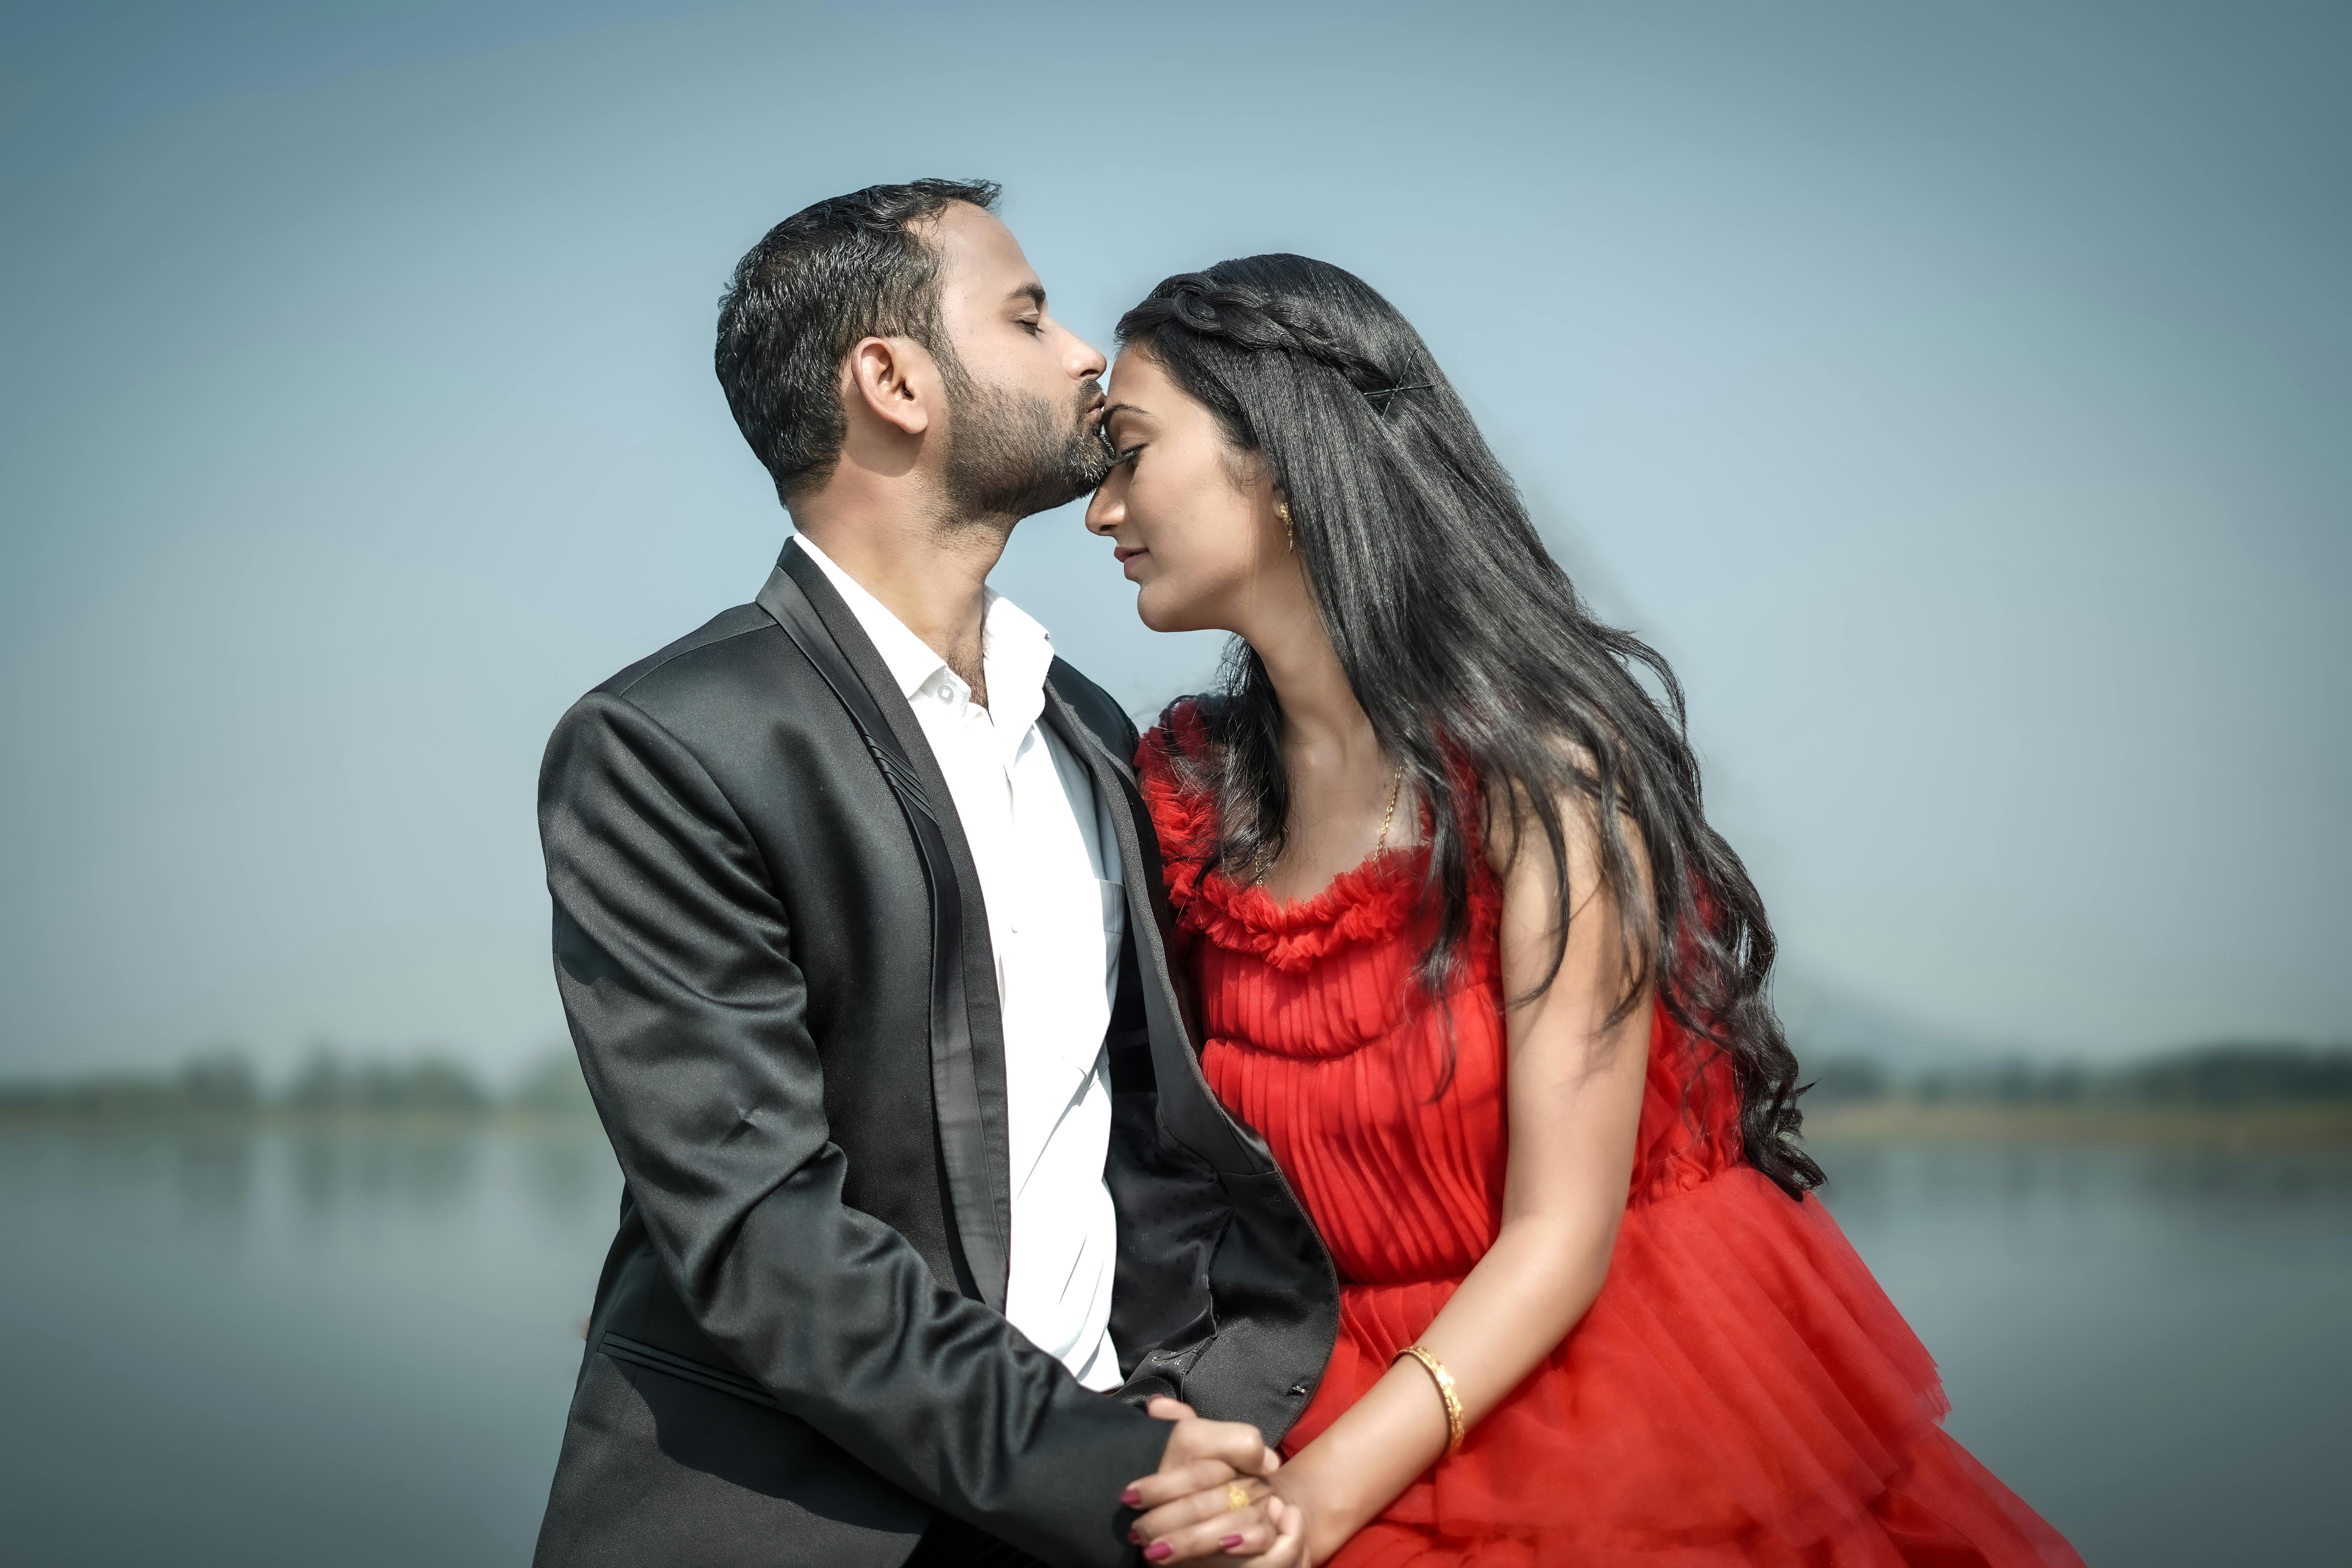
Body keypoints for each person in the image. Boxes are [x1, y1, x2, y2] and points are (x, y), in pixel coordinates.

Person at [1086, 256, 2087, 1567]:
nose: (1101, 509)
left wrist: (1316, 1502)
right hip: (1302, 1390)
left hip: (1596, 1394)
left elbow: (1561, 1236)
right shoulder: (1187, 796)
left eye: (1131, 451)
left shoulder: (1538, 779)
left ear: (1279, 459)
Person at [532, 182, 1327, 1568]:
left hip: (1133, 1508)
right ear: (891, 380)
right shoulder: (669, 746)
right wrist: (1107, 1466)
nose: (1085, 352)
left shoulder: (1089, 727)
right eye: (1026, 315)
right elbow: (768, 1240)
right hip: (790, 1527)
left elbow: (1149, 1131)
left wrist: (1200, 1412)